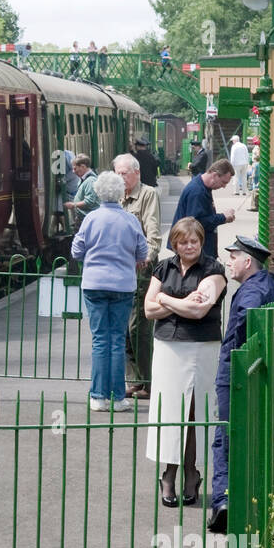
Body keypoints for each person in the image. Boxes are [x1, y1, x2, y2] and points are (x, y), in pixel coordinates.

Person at [144, 217, 227, 506]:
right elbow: (147, 309)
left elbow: (199, 311)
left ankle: (192, 473)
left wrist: (165, 300)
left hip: (202, 347)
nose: (189, 246)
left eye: (194, 241)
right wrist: (175, 301)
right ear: (174, 244)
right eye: (183, 241)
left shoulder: (213, 270)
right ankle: (169, 474)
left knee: (196, 412)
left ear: (201, 242)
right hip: (168, 347)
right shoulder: (163, 267)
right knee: (171, 412)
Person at [209, 235, 274, 533]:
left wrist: (238, 355)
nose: (229, 262)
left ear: (247, 261)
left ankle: (223, 501)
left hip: (236, 371)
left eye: (233, 256)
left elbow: (246, 319)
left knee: (225, 436)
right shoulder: (269, 283)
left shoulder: (252, 290)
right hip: (253, 370)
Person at [70, 171, 149, 411]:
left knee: (99, 340)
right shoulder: (130, 220)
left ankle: (97, 396)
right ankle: (117, 398)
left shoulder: (91, 219)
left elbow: (76, 251)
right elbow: (143, 253)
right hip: (123, 286)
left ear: (97, 193)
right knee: (116, 340)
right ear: (121, 192)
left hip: (94, 285)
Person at [114, 153, 161, 399]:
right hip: (119, 270)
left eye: (124, 173)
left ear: (137, 173)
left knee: (138, 327)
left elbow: (153, 233)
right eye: (117, 173)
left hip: (140, 269)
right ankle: (134, 379)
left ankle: (148, 381)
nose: (121, 178)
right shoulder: (114, 197)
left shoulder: (147, 194)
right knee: (123, 327)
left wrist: (148, 257)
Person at [171, 159, 236, 259]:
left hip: (198, 249)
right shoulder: (197, 192)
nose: (224, 186)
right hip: (193, 251)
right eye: (223, 182)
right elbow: (195, 223)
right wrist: (223, 217)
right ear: (214, 175)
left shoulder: (202, 187)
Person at [63, 154, 99, 227]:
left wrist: (74, 205)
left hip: (88, 220)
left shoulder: (90, 181)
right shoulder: (84, 179)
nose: (73, 171)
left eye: (75, 168)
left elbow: (90, 201)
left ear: (82, 167)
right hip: (85, 219)